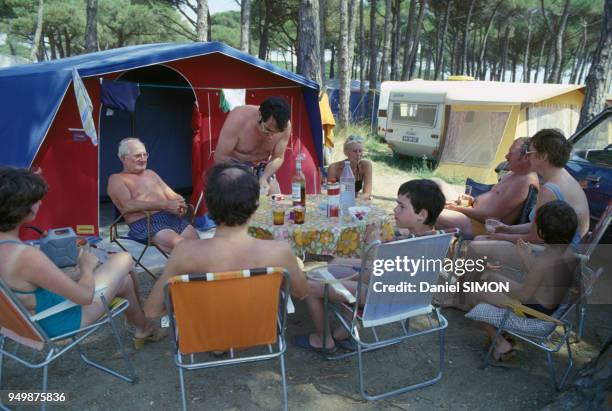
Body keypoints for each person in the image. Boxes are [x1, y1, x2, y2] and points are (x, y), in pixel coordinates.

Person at [0, 167, 164, 346]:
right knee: (123, 258)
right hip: (60, 322)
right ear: (20, 208)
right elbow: (85, 297)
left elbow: (30, 287)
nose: (40, 203)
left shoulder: (10, 250)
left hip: (25, 322)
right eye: (36, 200)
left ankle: (144, 328)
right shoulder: (26, 256)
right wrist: (86, 266)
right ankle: (147, 319)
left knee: (124, 281)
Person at [294, 179, 446, 352]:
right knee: (336, 263)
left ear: (422, 215)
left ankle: (323, 340)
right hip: (407, 293)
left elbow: (379, 265)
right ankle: (346, 330)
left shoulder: (407, 247)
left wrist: (373, 243)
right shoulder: (435, 239)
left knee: (309, 287)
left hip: (383, 297)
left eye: (402, 207)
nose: (395, 210)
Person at [143, 163, 308, 319]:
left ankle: (219, 345)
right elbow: (301, 292)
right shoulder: (279, 252)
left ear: (208, 206)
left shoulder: (184, 253)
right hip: (259, 330)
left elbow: (152, 310)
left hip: (207, 332)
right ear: (256, 205)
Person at [464, 201, 579, 362]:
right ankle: (501, 334)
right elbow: (546, 280)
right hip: (549, 307)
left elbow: (524, 295)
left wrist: (501, 281)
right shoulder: (569, 253)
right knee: (491, 278)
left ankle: (500, 342)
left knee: (473, 292)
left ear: (542, 232)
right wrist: (527, 260)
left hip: (534, 313)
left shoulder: (546, 259)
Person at [467, 129, 590, 270]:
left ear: (543, 156)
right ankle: (470, 288)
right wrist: (509, 228)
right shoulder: (566, 178)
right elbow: (539, 226)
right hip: (566, 252)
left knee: (477, 245)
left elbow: (536, 238)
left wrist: (502, 236)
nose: (528, 157)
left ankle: (467, 289)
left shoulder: (549, 190)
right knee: (481, 241)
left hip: (553, 260)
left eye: (530, 153)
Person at [107, 137, 199, 254]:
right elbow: (128, 206)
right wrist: (165, 205)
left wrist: (180, 204)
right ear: (124, 158)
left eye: (145, 155)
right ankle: (182, 269)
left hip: (169, 217)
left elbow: (171, 194)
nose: (143, 159)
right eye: (137, 156)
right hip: (145, 222)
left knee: (197, 244)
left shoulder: (151, 174)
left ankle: (196, 270)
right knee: (183, 247)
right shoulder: (117, 179)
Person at [436, 137, 539, 235]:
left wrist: (456, 208)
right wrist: (472, 200)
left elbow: (491, 217)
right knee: (437, 183)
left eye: (511, 153)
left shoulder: (524, 181)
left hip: (481, 225)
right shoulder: (513, 173)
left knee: (431, 211)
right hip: (471, 210)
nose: (506, 156)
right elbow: (494, 199)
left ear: (525, 157)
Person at [214, 97, 291, 195]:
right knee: (241, 200)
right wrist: (245, 174)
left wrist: (264, 178)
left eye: (276, 133)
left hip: (262, 169)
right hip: (233, 166)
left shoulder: (286, 126)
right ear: (260, 115)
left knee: (276, 201)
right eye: (268, 130)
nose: (271, 137)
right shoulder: (238, 117)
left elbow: (278, 157)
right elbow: (220, 157)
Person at [327, 135, 373, 200]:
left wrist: (355, 201)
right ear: (346, 153)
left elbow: (367, 193)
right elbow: (330, 192)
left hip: (356, 201)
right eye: (355, 151)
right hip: (338, 201)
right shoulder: (334, 168)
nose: (358, 154)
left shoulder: (365, 166)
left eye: (360, 151)